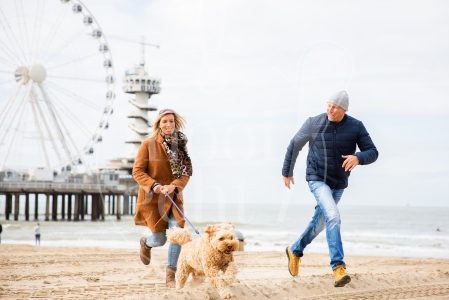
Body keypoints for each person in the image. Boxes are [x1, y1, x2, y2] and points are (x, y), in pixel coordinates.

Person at [282, 91, 378, 287]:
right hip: (316, 178)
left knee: (320, 223)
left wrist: (358, 157)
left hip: (339, 182)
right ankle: (338, 267)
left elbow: (373, 151)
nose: (330, 110)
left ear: (344, 110)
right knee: (333, 216)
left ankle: (295, 250)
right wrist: (287, 172)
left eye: (335, 107)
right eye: (329, 105)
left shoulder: (355, 126)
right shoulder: (313, 123)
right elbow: (294, 145)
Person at [133, 108, 193, 288]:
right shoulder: (148, 144)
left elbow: (186, 173)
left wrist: (173, 185)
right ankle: (146, 243)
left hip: (173, 197)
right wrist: (154, 185)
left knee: (177, 234)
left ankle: (170, 276)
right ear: (159, 123)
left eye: (171, 121)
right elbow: (137, 171)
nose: (168, 124)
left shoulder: (181, 145)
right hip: (152, 199)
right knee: (159, 240)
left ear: (176, 123)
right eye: (165, 121)